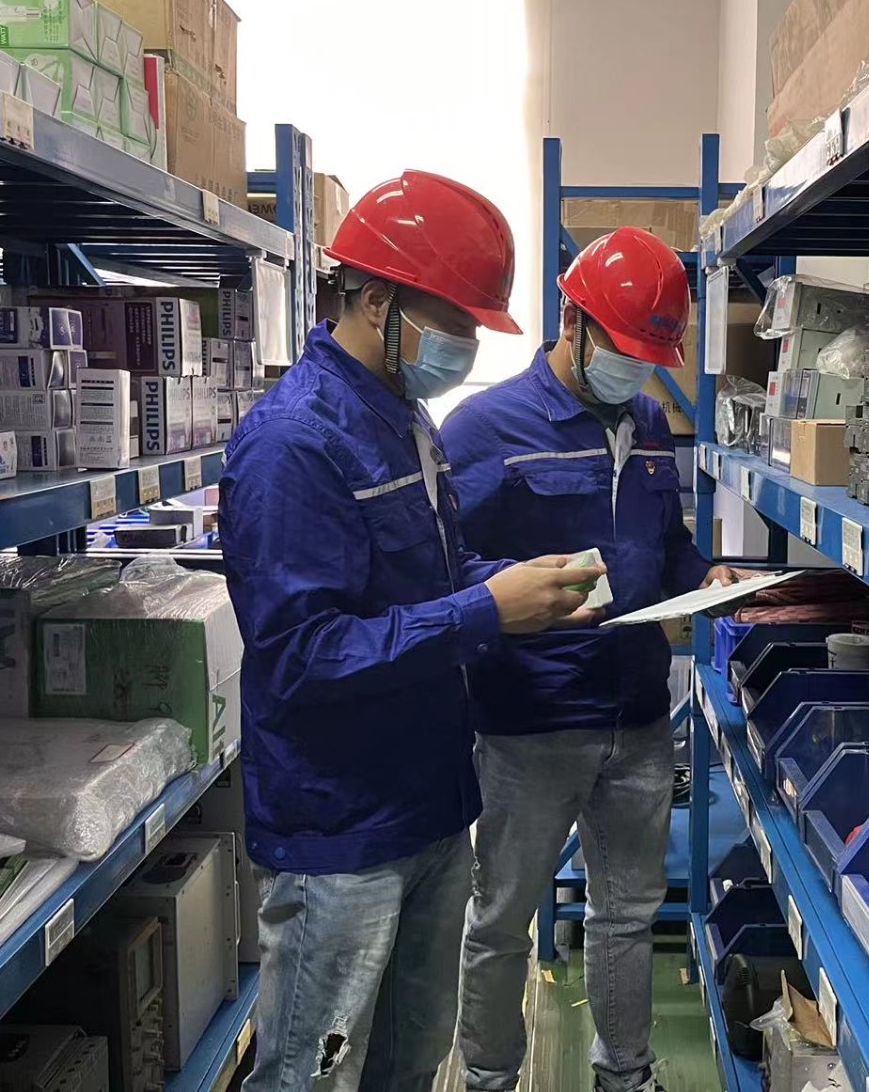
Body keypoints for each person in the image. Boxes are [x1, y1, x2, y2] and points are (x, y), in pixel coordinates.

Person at [220, 171, 608, 1092]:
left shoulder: (403, 418)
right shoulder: (293, 444)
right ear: (377, 301)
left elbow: (433, 576)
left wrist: (519, 588)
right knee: (315, 1073)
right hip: (341, 829)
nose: (466, 344)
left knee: (411, 1060)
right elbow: (302, 653)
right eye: (455, 320)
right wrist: (485, 610)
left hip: (430, 804)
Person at [441, 227, 738, 1092]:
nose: (636, 370)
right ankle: (489, 1075)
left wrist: (703, 574)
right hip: (529, 723)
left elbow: (667, 542)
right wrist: (510, 591)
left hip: (638, 716)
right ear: (571, 320)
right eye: (624, 350)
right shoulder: (484, 426)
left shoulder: (647, 422)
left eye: (650, 357)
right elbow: (444, 567)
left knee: (626, 915)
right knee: (501, 919)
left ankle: (625, 1072)